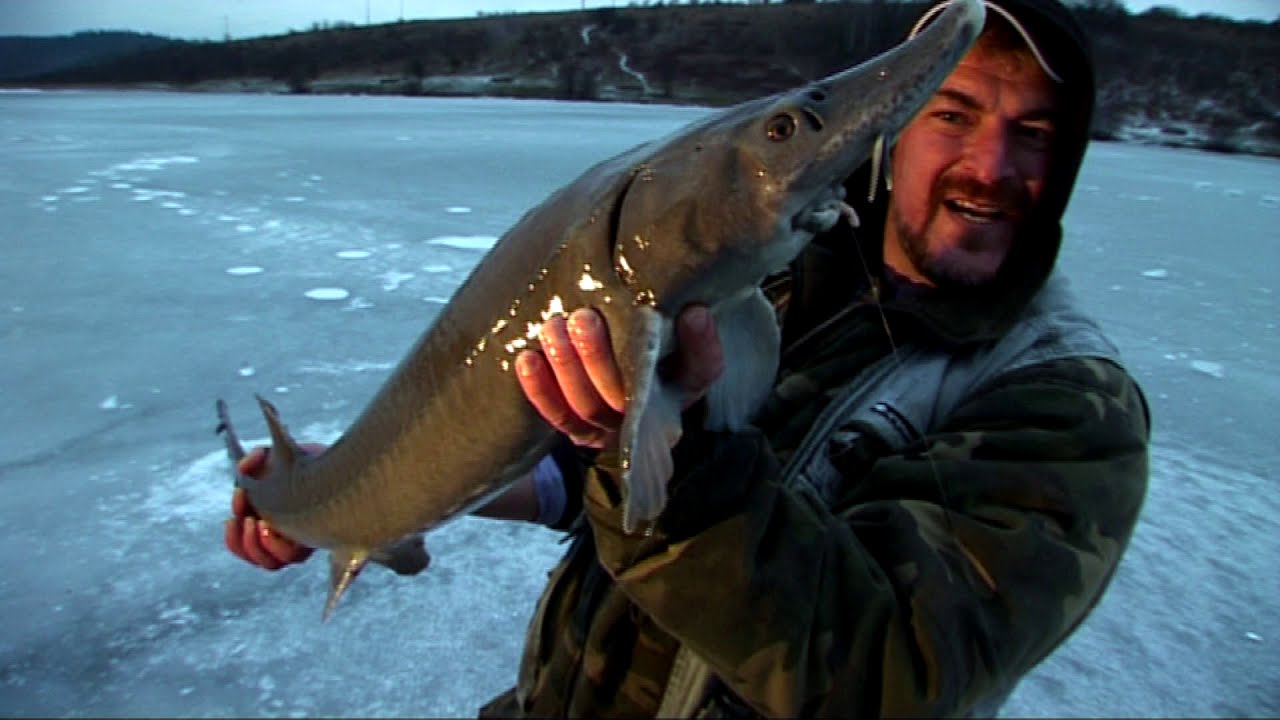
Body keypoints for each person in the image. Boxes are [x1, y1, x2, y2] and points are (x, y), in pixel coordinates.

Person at [225, 0, 1150, 715]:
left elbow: (882, 674)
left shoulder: (1070, 405)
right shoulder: (774, 278)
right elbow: (571, 479)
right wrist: (341, 496)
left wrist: (686, 466)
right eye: (952, 113)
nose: (991, 165)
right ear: (898, 138)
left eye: (1033, 133)